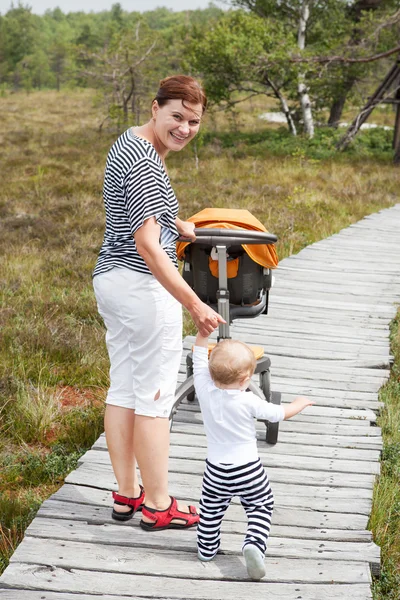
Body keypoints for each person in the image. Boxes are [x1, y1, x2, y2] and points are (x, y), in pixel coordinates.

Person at [92, 75, 225, 531]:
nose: (185, 128)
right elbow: (148, 245)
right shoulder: (148, 166)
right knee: (153, 398)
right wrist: (193, 304)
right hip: (143, 288)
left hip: (112, 281)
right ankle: (159, 503)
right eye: (176, 117)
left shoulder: (130, 143)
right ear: (155, 108)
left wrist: (176, 221)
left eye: (193, 120)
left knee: (124, 390)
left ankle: (127, 494)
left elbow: (140, 213)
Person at [193, 332, 315, 579]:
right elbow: (280, 413)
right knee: (261, 505)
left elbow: (197, 360)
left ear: (211, 372)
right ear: (246, 379)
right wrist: (299, 404)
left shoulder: (204, 391)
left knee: (211, 507)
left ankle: (206, 548)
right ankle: (254, 544)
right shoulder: (249, 401)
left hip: (215, 469)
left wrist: (202, 334)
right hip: (248, 469)